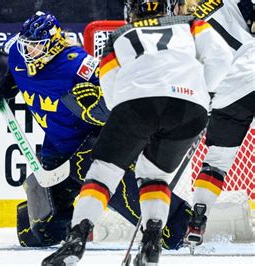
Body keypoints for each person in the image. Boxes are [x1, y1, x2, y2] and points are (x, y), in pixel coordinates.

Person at [0, 10, 195, 253]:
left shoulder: (78, 64)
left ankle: (184, 225)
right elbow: (6, 64)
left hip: (92, 145)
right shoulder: (18, 53)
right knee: (41, 231)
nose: (30, 52)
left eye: (36, 47)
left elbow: (120, 94)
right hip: (57, 151)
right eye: (27, 46)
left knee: (124, 192)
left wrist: (97, 109)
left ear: (52, 43)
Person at [42, 0, 233, 265]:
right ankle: (151, 243)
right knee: (155, 177)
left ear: (131, 11)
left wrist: (137, 108)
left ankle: (76, 240)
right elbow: (222, 57)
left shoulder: (118, 37)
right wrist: (202, 91)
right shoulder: (190, 24)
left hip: (137, 105)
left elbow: (110, 97)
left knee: (103, 172)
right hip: (190, 110)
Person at [184, 0, 255, 247]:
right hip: (245, 74)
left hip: (227, 90)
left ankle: (198, 217)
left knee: (216, 161)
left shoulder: (203, 12)